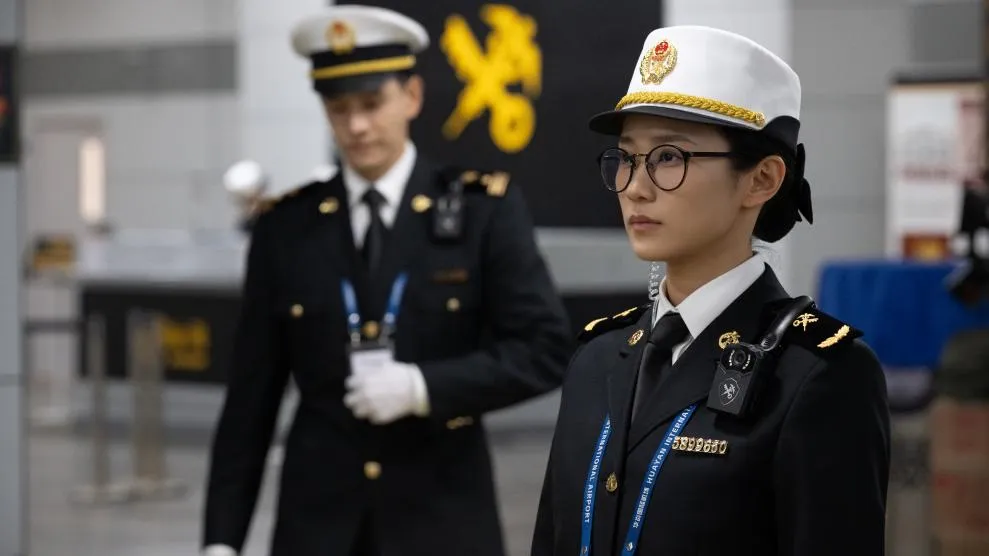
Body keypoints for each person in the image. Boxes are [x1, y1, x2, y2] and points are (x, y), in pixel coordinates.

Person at [200, 5, 573, 556]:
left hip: (441, 521)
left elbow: (544, 349)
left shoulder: (481, 211)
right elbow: (249, 401)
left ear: (412, 97)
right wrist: (221, 540)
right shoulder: (287, 227)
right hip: (318, 525)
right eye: (339, 108)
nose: (356, 126)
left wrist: (425, 387)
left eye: (372, 103)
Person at [531, 25, 891, 556]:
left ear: (762, 179)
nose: (636, 187)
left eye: (669, 157)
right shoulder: (597, 359)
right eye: (626, 158)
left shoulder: (817, 376)